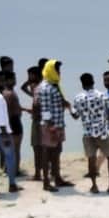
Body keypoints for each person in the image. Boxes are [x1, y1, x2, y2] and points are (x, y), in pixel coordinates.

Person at [73, 72, 109, 194]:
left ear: (82, 84)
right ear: (93, 82)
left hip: (88, 133)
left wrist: (69, 107)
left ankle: (94, 186)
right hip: (103, 131)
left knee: (91, 159)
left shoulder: (78, 98)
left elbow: (75, 115)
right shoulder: (102, 95)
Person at [35, 60, 73, 191]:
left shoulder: (54, 85)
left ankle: (57, 178)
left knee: (56, 152)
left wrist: (66, 105)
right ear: (50, 70)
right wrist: (52, 127)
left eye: (59, 70)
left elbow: (57, 102)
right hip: (50, 126)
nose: (59, 72)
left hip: (58, 124)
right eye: (57, 70)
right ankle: (46, 182)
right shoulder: (45, 87)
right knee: (47, 153)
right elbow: (45, 109)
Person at [0, 56, 24, 180]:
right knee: (13, 148)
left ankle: (7, 167)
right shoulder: (7, 91)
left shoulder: (7, 91)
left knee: (8, 147)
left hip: (9, 121)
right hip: (12, 121)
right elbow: (7, 110)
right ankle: (12, 170)